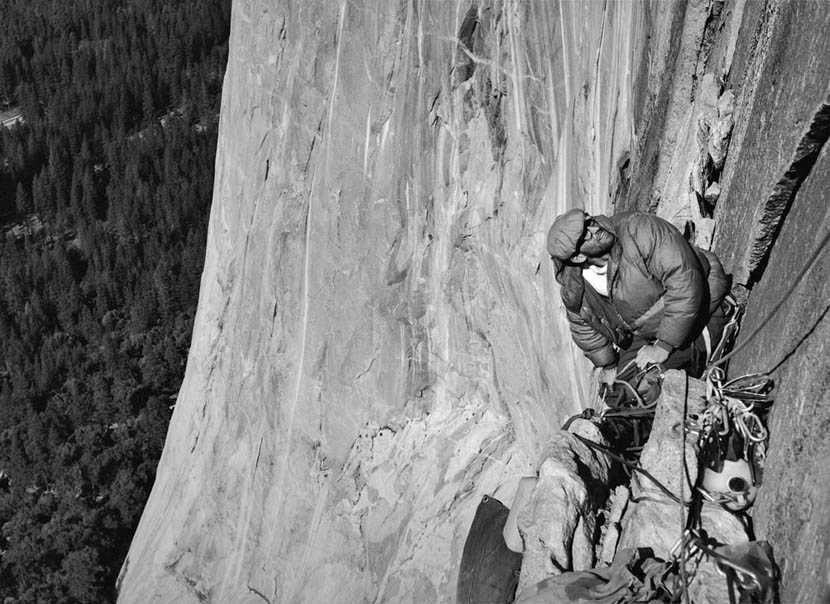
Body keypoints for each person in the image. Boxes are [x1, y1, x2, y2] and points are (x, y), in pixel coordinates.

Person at [546, 209, 730, 396]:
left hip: (700, 305)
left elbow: (684, 281)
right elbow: (583, 328)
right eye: (585, 234)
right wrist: (608, 365)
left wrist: (663, 346)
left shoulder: (638, 229)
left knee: (653, 385)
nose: (595, 228)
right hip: (646, 332)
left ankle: (722, 327)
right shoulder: (576, 287)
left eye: (590, 221)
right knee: (615, 392)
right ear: (577, 257)